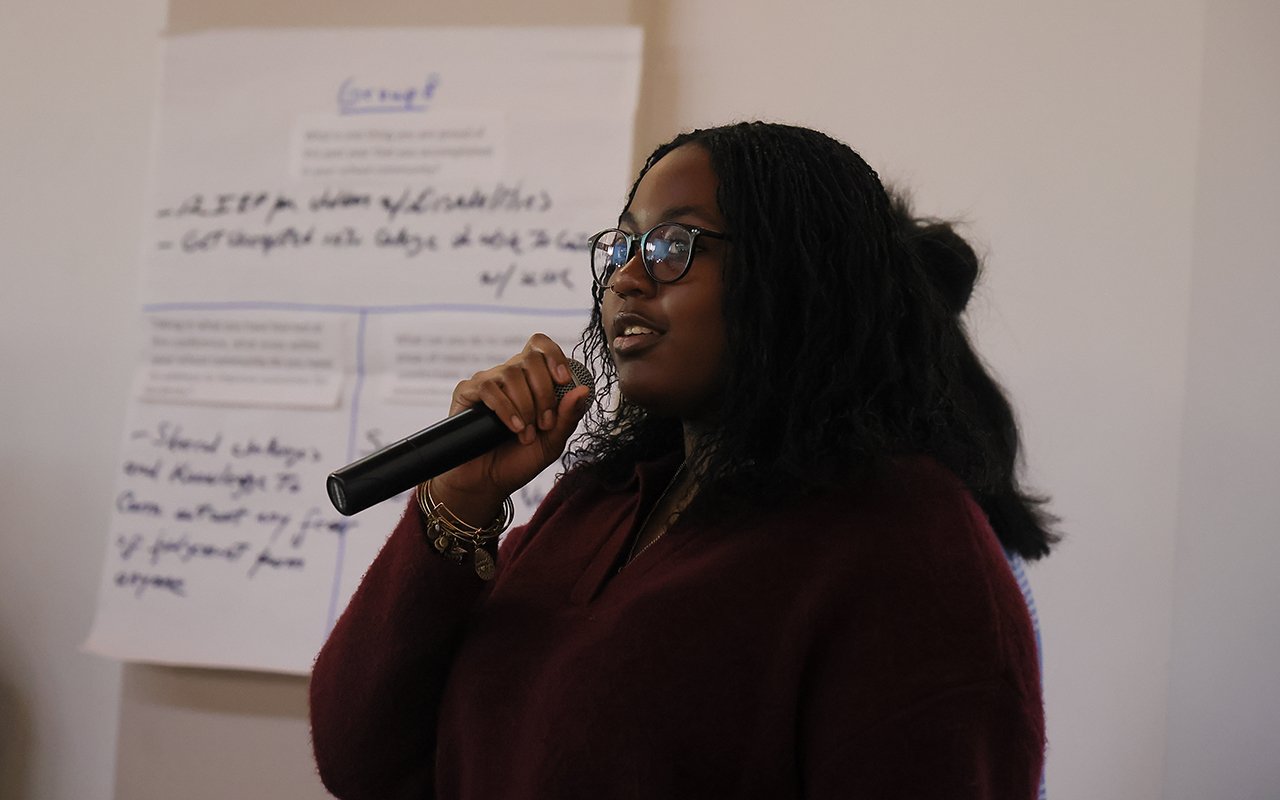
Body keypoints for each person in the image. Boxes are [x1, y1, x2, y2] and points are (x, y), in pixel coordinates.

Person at [309, 122, 1057, 799]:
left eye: (673, 247)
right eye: (624, 246)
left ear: (797, 277)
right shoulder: (598, 501)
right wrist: (457, 506)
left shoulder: (905, 548)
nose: (627, 279)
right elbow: (365, 762)